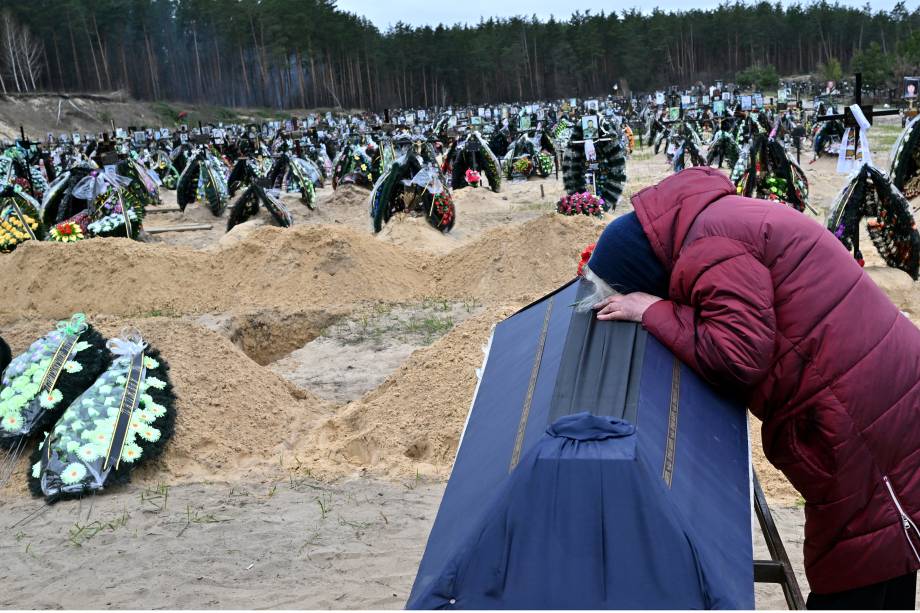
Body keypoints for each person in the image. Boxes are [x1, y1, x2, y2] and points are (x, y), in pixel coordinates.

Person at [581, 167, 920, 610]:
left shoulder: (709, 248)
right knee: (874, 555)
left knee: (868, 555)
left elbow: (738, 355)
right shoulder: (712, 222)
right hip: (870, 394)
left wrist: (653, 311)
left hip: (866, 420)